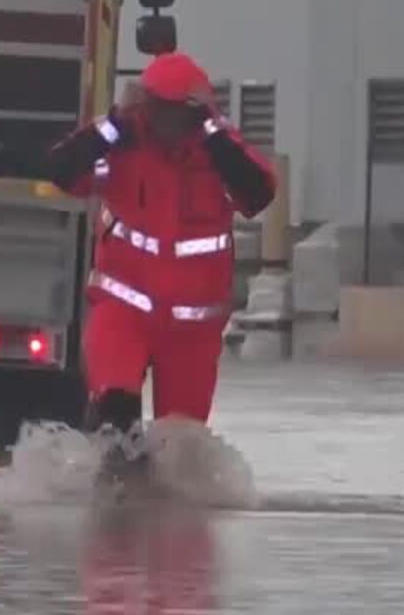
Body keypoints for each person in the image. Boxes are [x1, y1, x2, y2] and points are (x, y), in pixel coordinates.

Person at [44, 52, 276, 482]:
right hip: (123, 309)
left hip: (193, 329)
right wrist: (113, 124)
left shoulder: (220, 153)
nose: (163, 121)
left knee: (181, 447)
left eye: (174, 111)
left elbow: (259, 192)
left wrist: (214, 137)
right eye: (155, 107)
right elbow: (61, 169)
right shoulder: (120, 144)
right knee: (115, 409)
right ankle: (110, 506)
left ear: (196, 113)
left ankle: (164, 525)